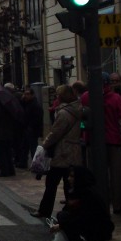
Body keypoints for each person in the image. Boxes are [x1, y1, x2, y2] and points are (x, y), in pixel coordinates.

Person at [31, 84, 83, 220]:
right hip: (73, 151)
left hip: (62, 152)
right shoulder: (78, 109)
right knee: (69, 184)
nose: (56, 97)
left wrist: (44, 145)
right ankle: (71, 210)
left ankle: (45, 210)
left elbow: (55, 133)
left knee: (51, 183)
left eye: (58, 95)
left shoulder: (64, 113)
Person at [81, 72, 121, 214]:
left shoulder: (85, 97)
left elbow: (82, 119)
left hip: (92, 141)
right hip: (113, 139)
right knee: (115, 174)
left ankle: (97, 202)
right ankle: (117, 204)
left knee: (94, 172)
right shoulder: (116, 98)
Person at [49, 165, 114, 241]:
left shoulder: (88, 194)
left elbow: (85, 216)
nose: (69, 179)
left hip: (99, 229)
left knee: (65, 218)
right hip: (87, 224)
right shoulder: (75, 191)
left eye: (72, 176)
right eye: (69, 176)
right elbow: (68, 211)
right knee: (62, 215)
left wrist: (62, 226)